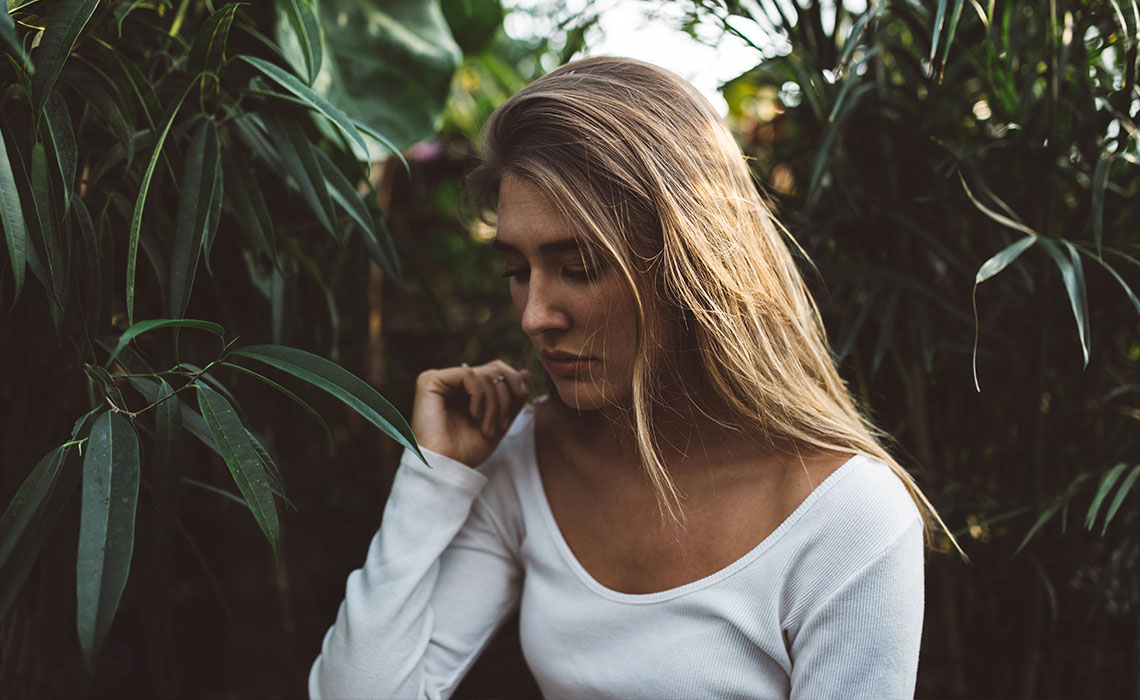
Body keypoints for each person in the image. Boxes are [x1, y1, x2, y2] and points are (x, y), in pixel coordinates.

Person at [310, 56, 949, 700]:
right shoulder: (530, 457)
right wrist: (434, 481)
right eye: (516, 271)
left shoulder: (843, 515)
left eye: (580, 267)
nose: (535, 316)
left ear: (688, 265)